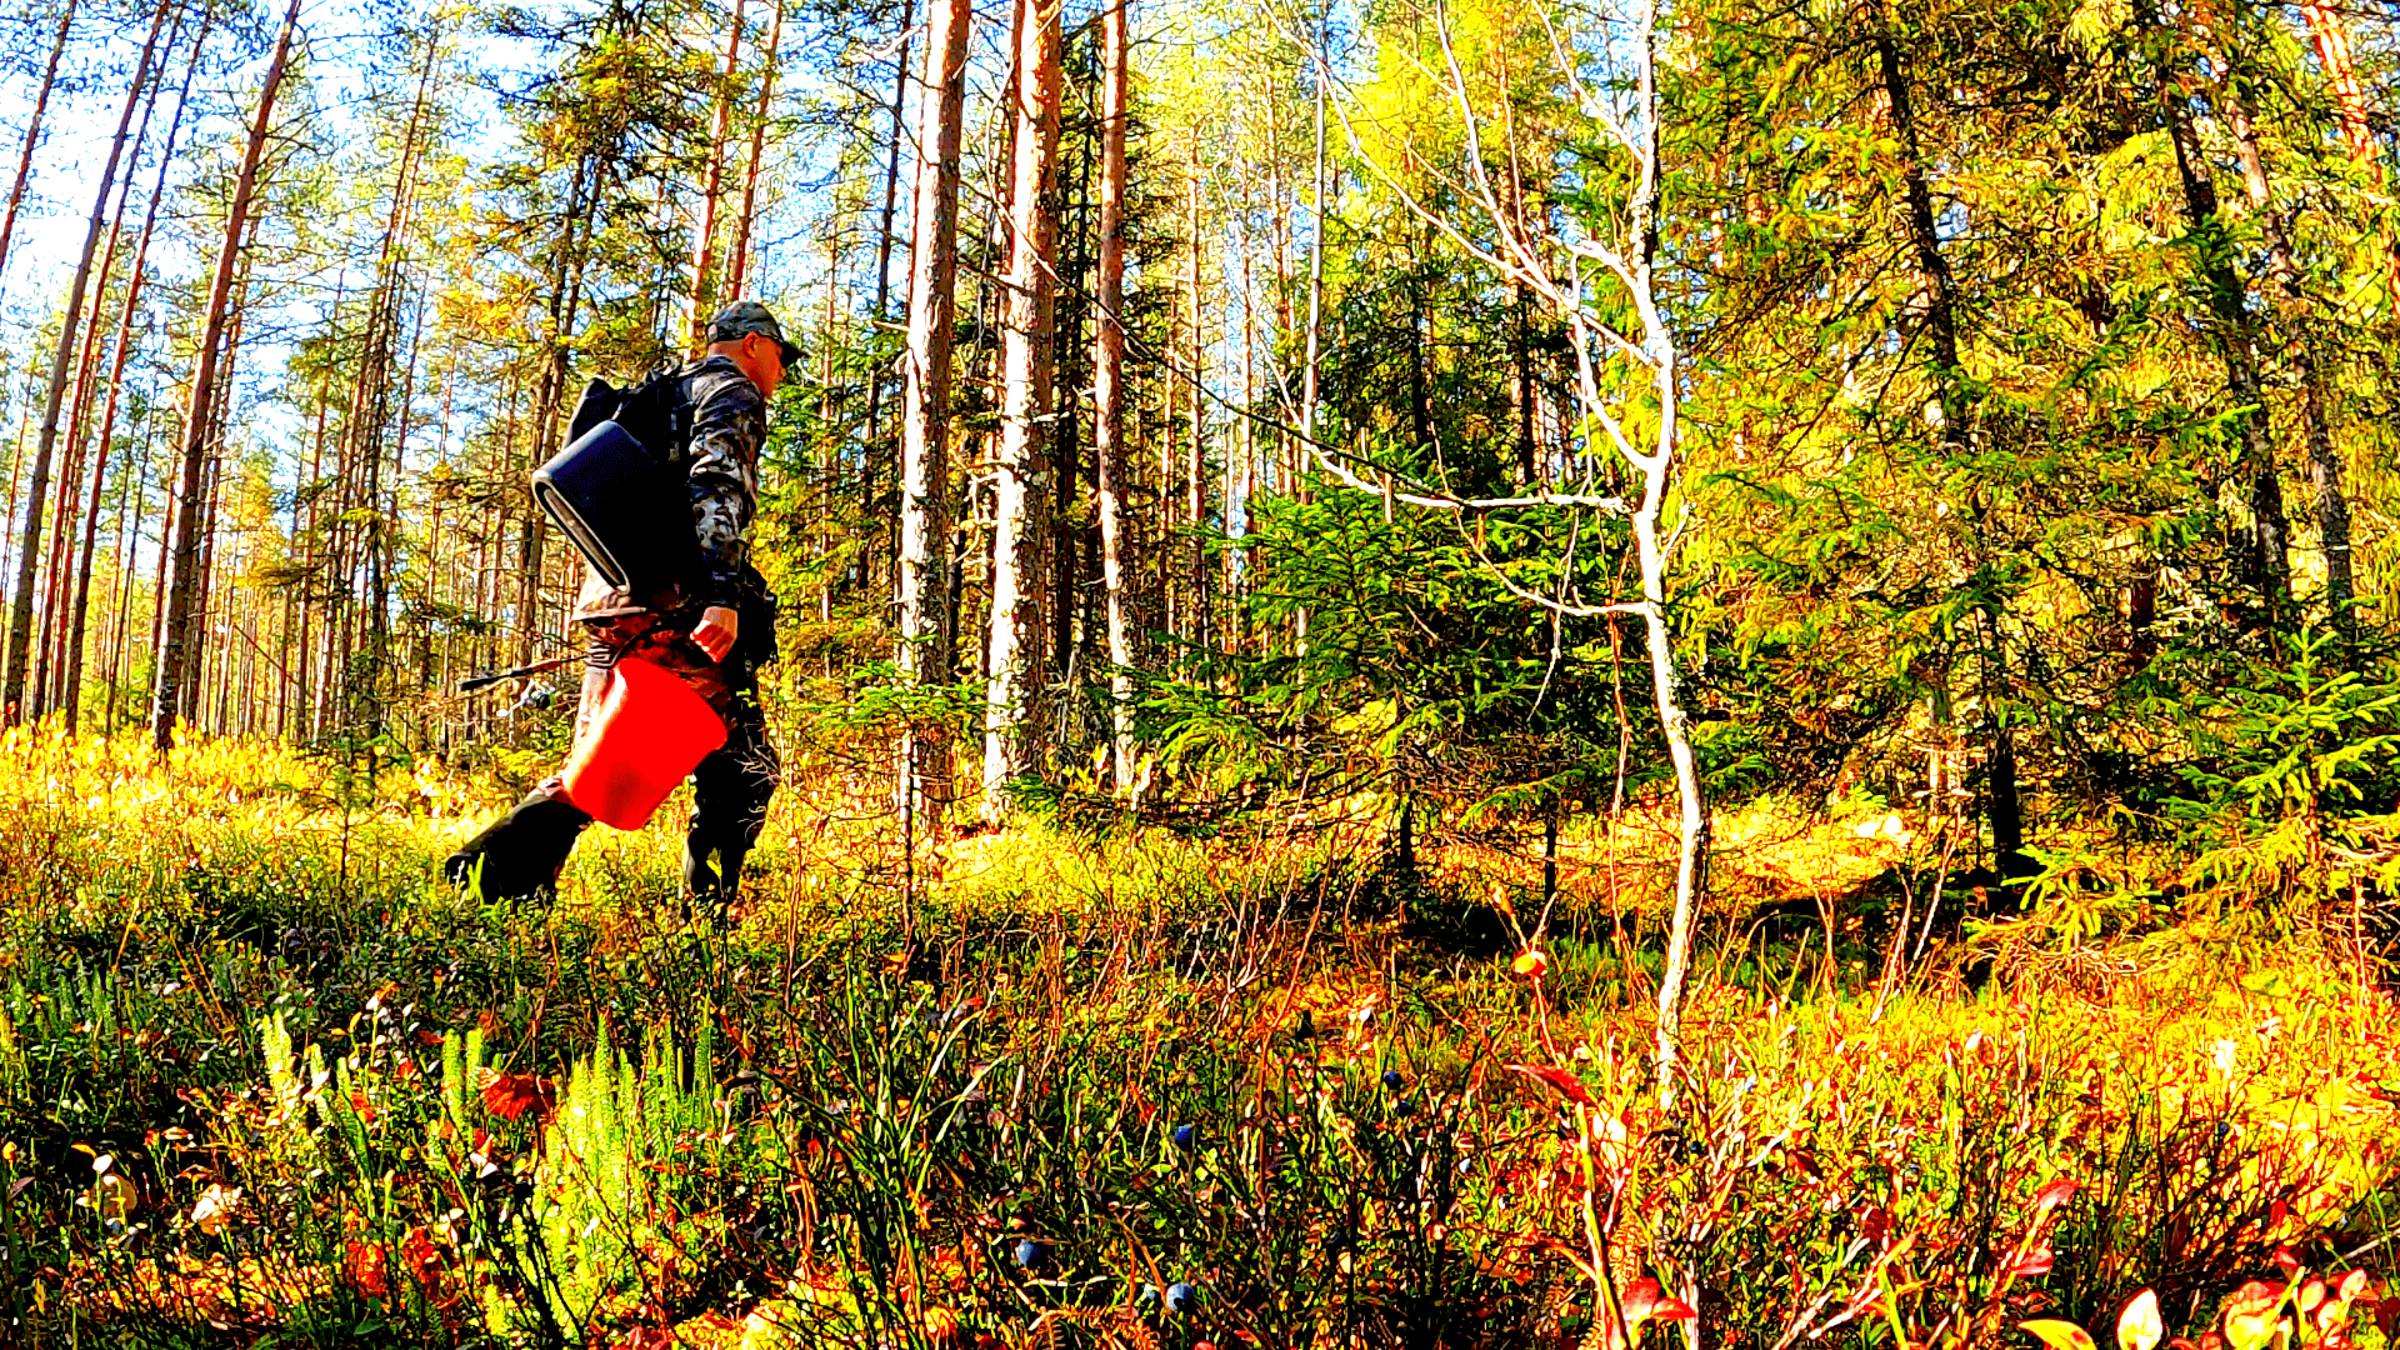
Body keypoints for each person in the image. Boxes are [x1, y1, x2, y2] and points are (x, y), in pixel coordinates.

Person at [446, 300, 796, 910]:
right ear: (751, 344)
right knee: (741, 763)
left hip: (612, 602)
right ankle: (709, 912)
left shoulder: (659, 394)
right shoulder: (731, 392)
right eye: (780, 356)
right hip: (677, 609)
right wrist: (720, 595)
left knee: (599, 761)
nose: (782, 372)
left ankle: (492, 885)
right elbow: (717, 487)